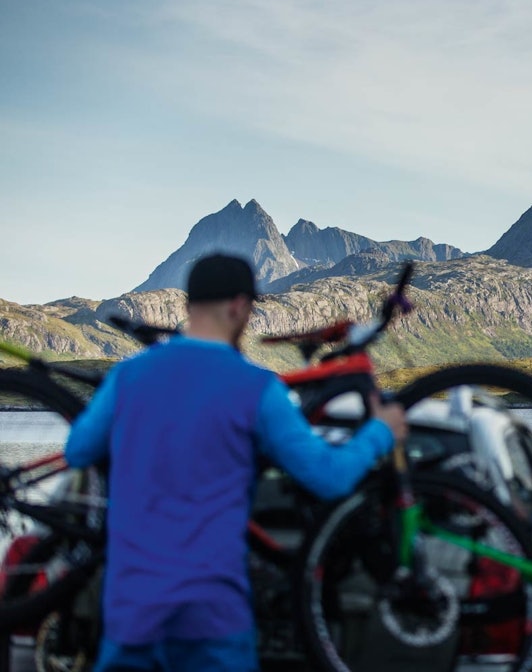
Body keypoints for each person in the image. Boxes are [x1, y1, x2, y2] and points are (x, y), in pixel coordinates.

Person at [65, 253, 408, 672]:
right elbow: (329, 477)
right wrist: (380, 432)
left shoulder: (128, 376)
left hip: (132, 615)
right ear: (239, 307)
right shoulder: (257, 388)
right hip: (211, 619)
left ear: (190, 304)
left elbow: (78, 450)